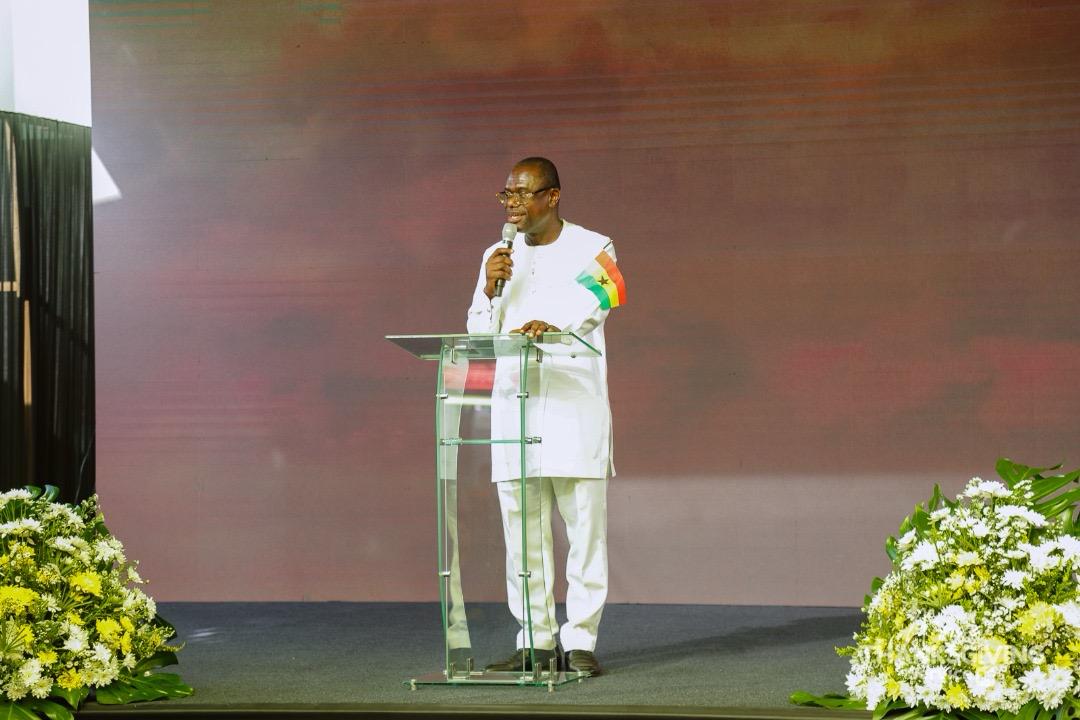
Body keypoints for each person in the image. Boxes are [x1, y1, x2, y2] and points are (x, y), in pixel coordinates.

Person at [466, 157, 624, 677]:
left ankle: (579, 642)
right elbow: (478, 335)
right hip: (516, 408)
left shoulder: (594, 247)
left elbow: (599, 303)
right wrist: (488, 290)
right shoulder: (495, 256)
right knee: (523, 538)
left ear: (552, 196)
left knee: (584, 533)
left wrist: (551, 324)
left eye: (522, 193)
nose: (511, 203)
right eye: (506, 194)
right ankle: (534, 641)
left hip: (573, 408)